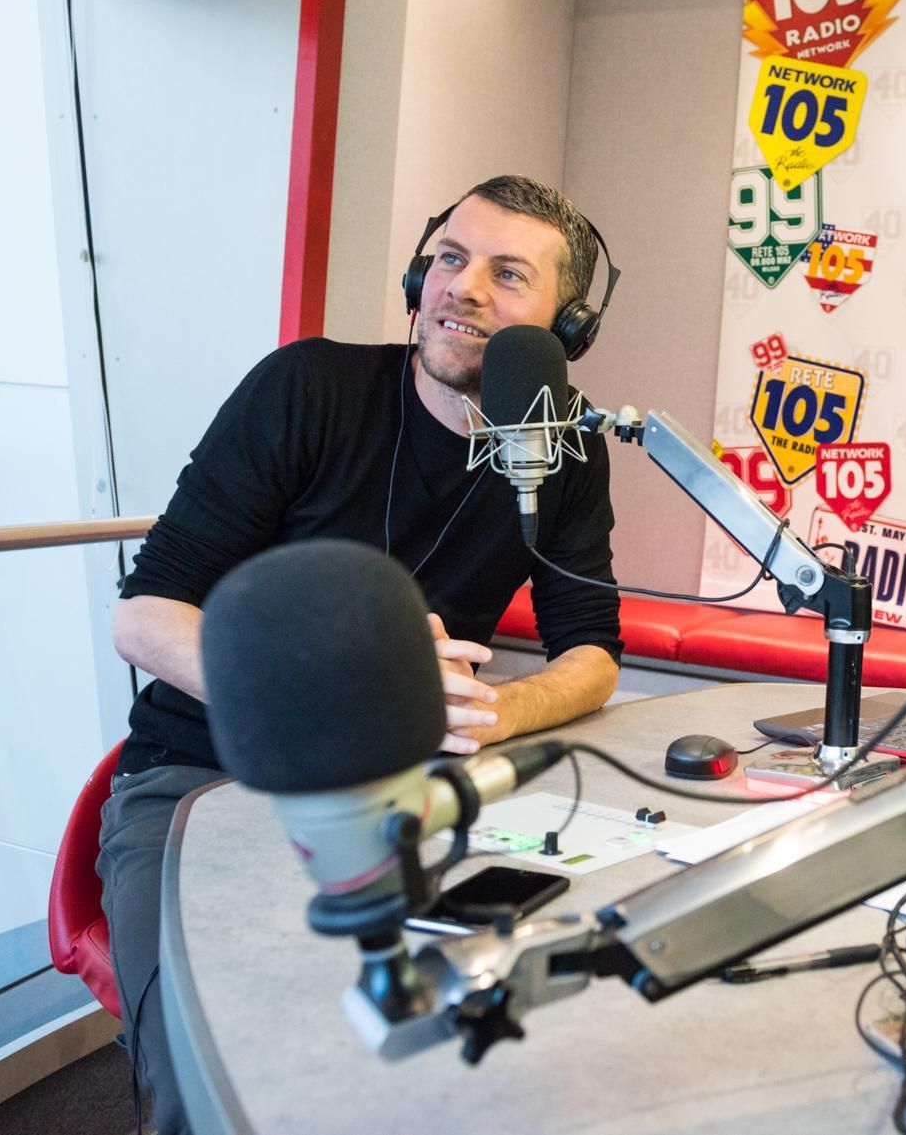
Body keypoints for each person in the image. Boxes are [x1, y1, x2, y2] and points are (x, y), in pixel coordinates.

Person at [97, 175, 624, 1133]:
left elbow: (591, 651)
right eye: (450, 258)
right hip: (200, 781)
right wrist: (339, 696)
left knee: (469, 1047)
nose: (462, 286)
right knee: (208, 1078)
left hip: (403, 790)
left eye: (507, 273)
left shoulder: (566, 451)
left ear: (568, 328)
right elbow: (143, 617)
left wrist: (499, 710)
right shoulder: (308, 388)